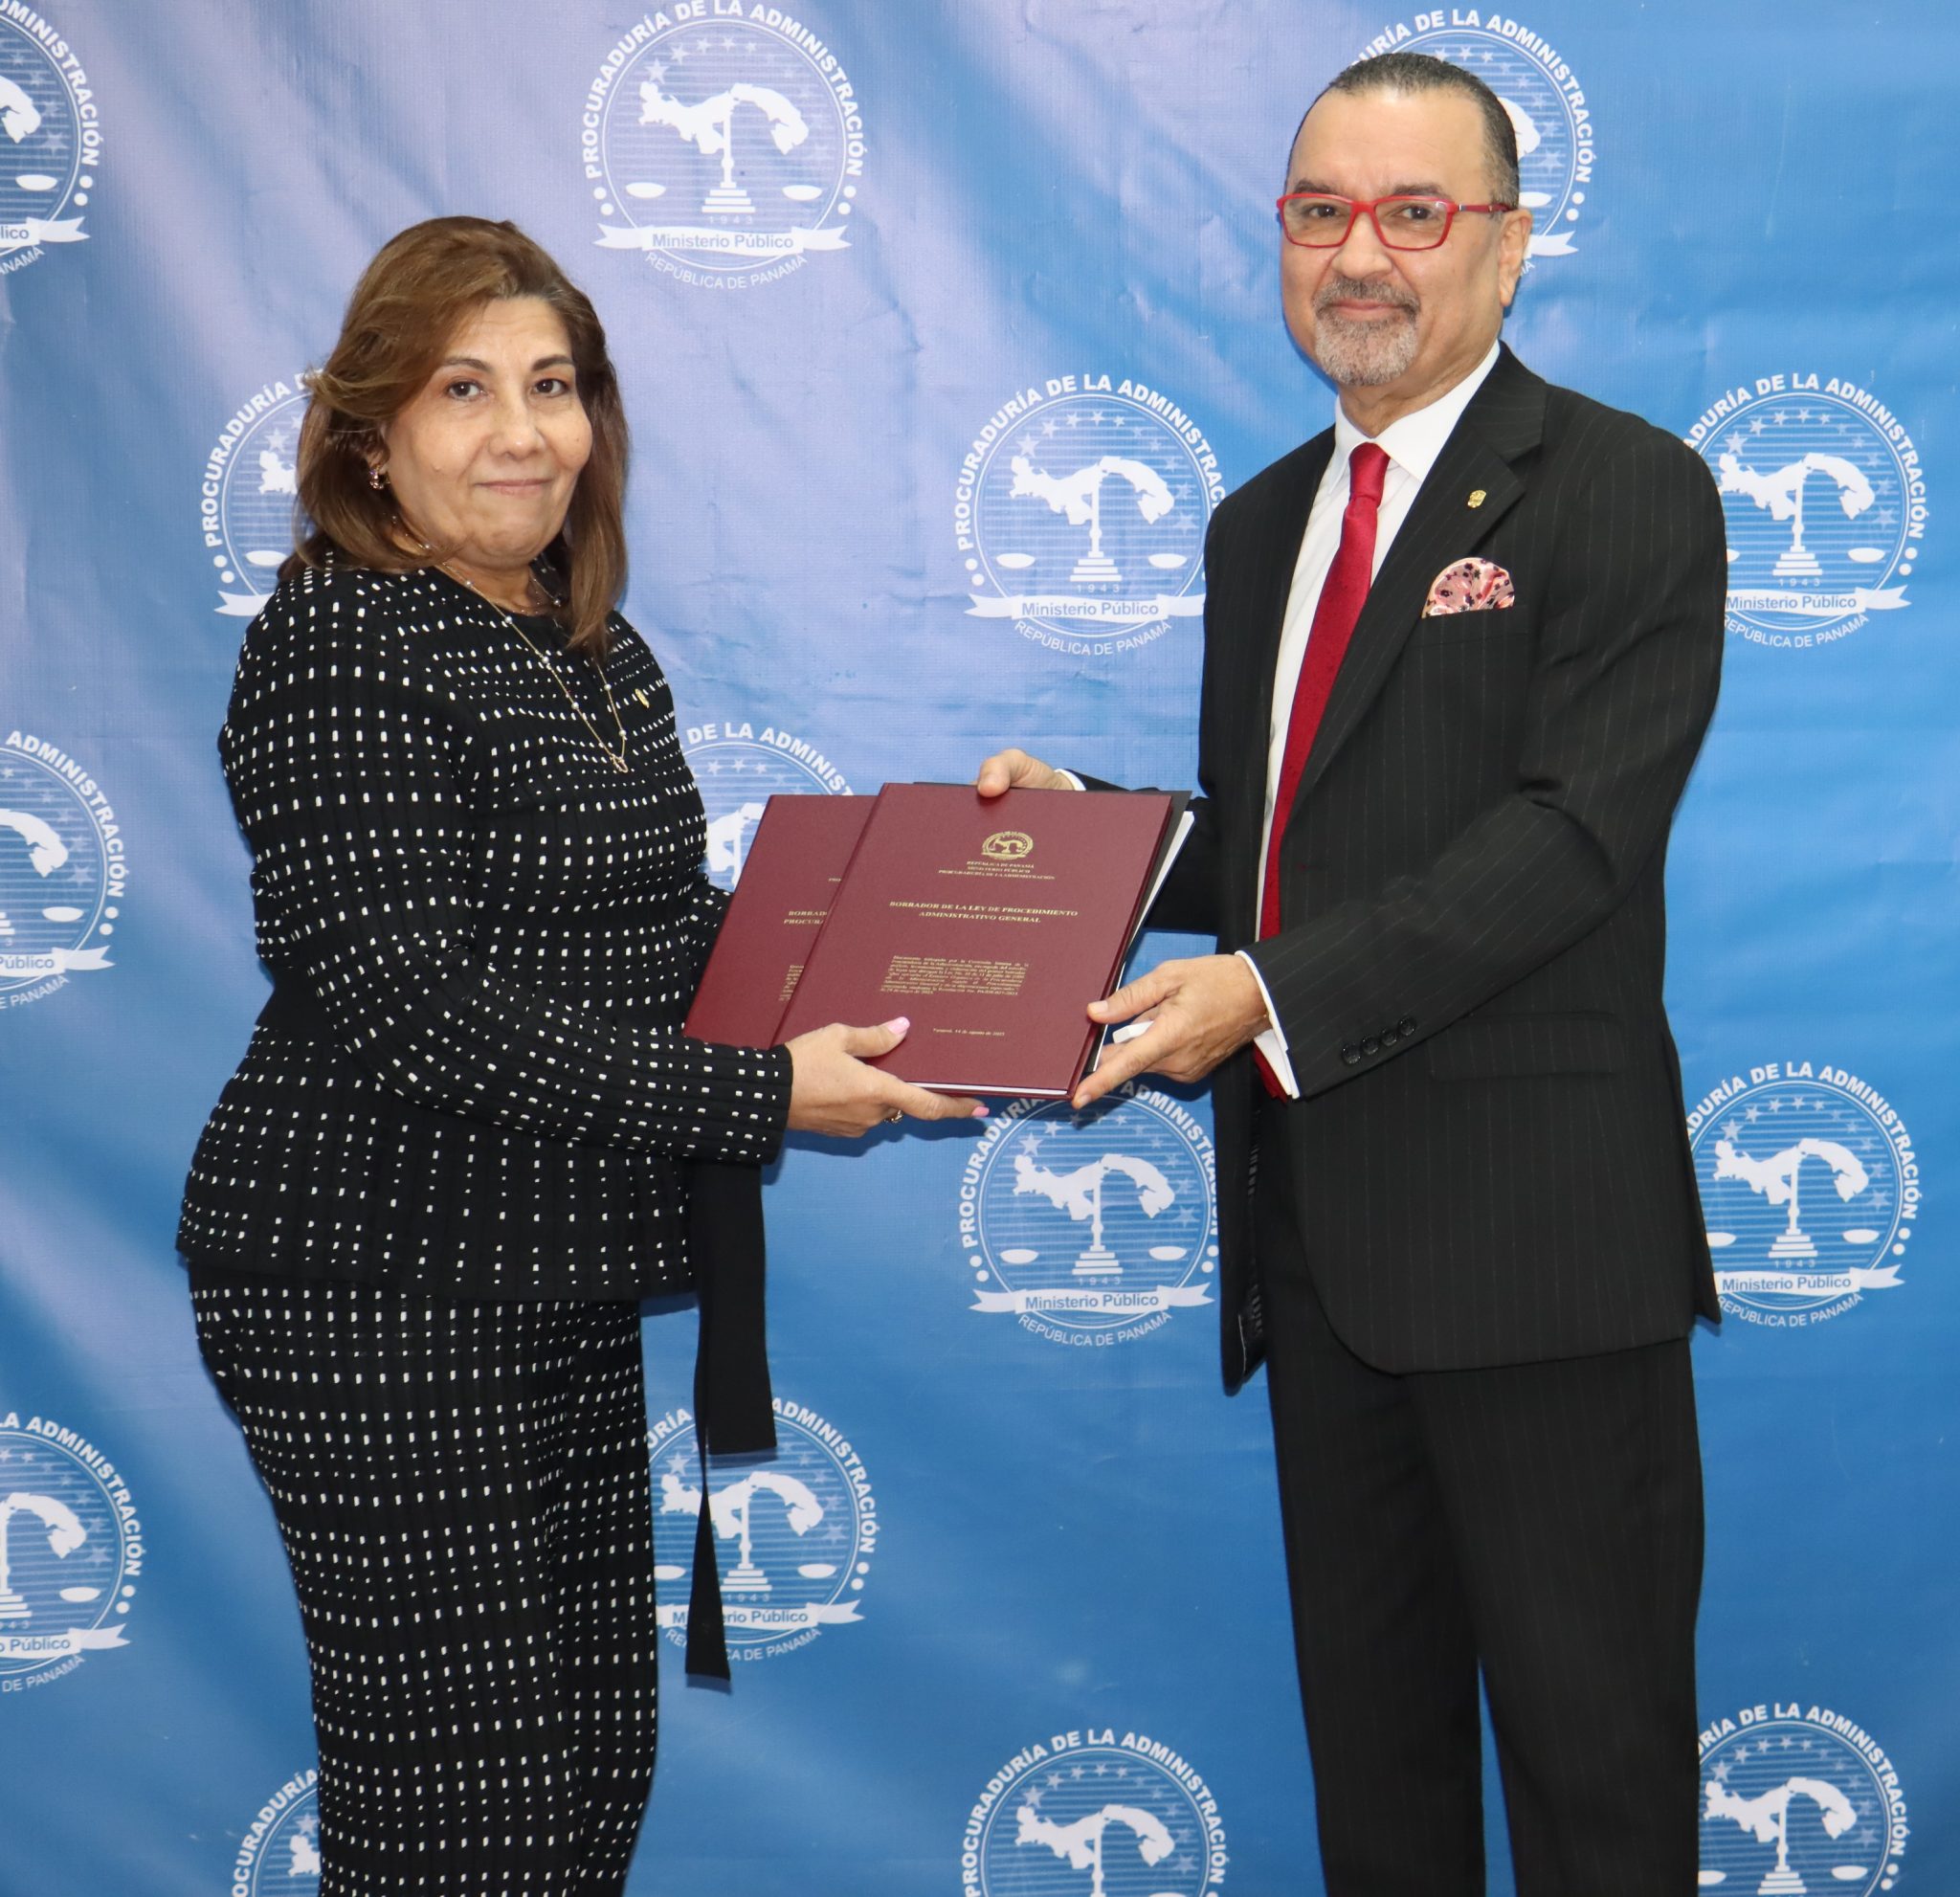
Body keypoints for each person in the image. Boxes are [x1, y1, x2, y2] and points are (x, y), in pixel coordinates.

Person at [979, 53, 1724, 1897]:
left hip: (1545, 1269)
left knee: (1598, 1790)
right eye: (1320, 213)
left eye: (1413, 213)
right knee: (1379, 1801)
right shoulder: (1258, 526)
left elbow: (1567, 842)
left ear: (1508, 246)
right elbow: (1293, 841)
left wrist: (1266, 994)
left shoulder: (1627, 488)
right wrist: (1102, 846)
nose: (1360, 256)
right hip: (1322, 1262)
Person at [178, 215, 981, 1896]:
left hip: (549, 1270)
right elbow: (408, 1001)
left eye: (553, 386)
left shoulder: (590, 646)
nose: (523, 432)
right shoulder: (340, 642)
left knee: (587, 1773)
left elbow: (672, 934)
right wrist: (766, 1092)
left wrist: (958, 921)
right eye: (463, 388)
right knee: (459, 1820)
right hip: (375, 1287)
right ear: (370, 439)